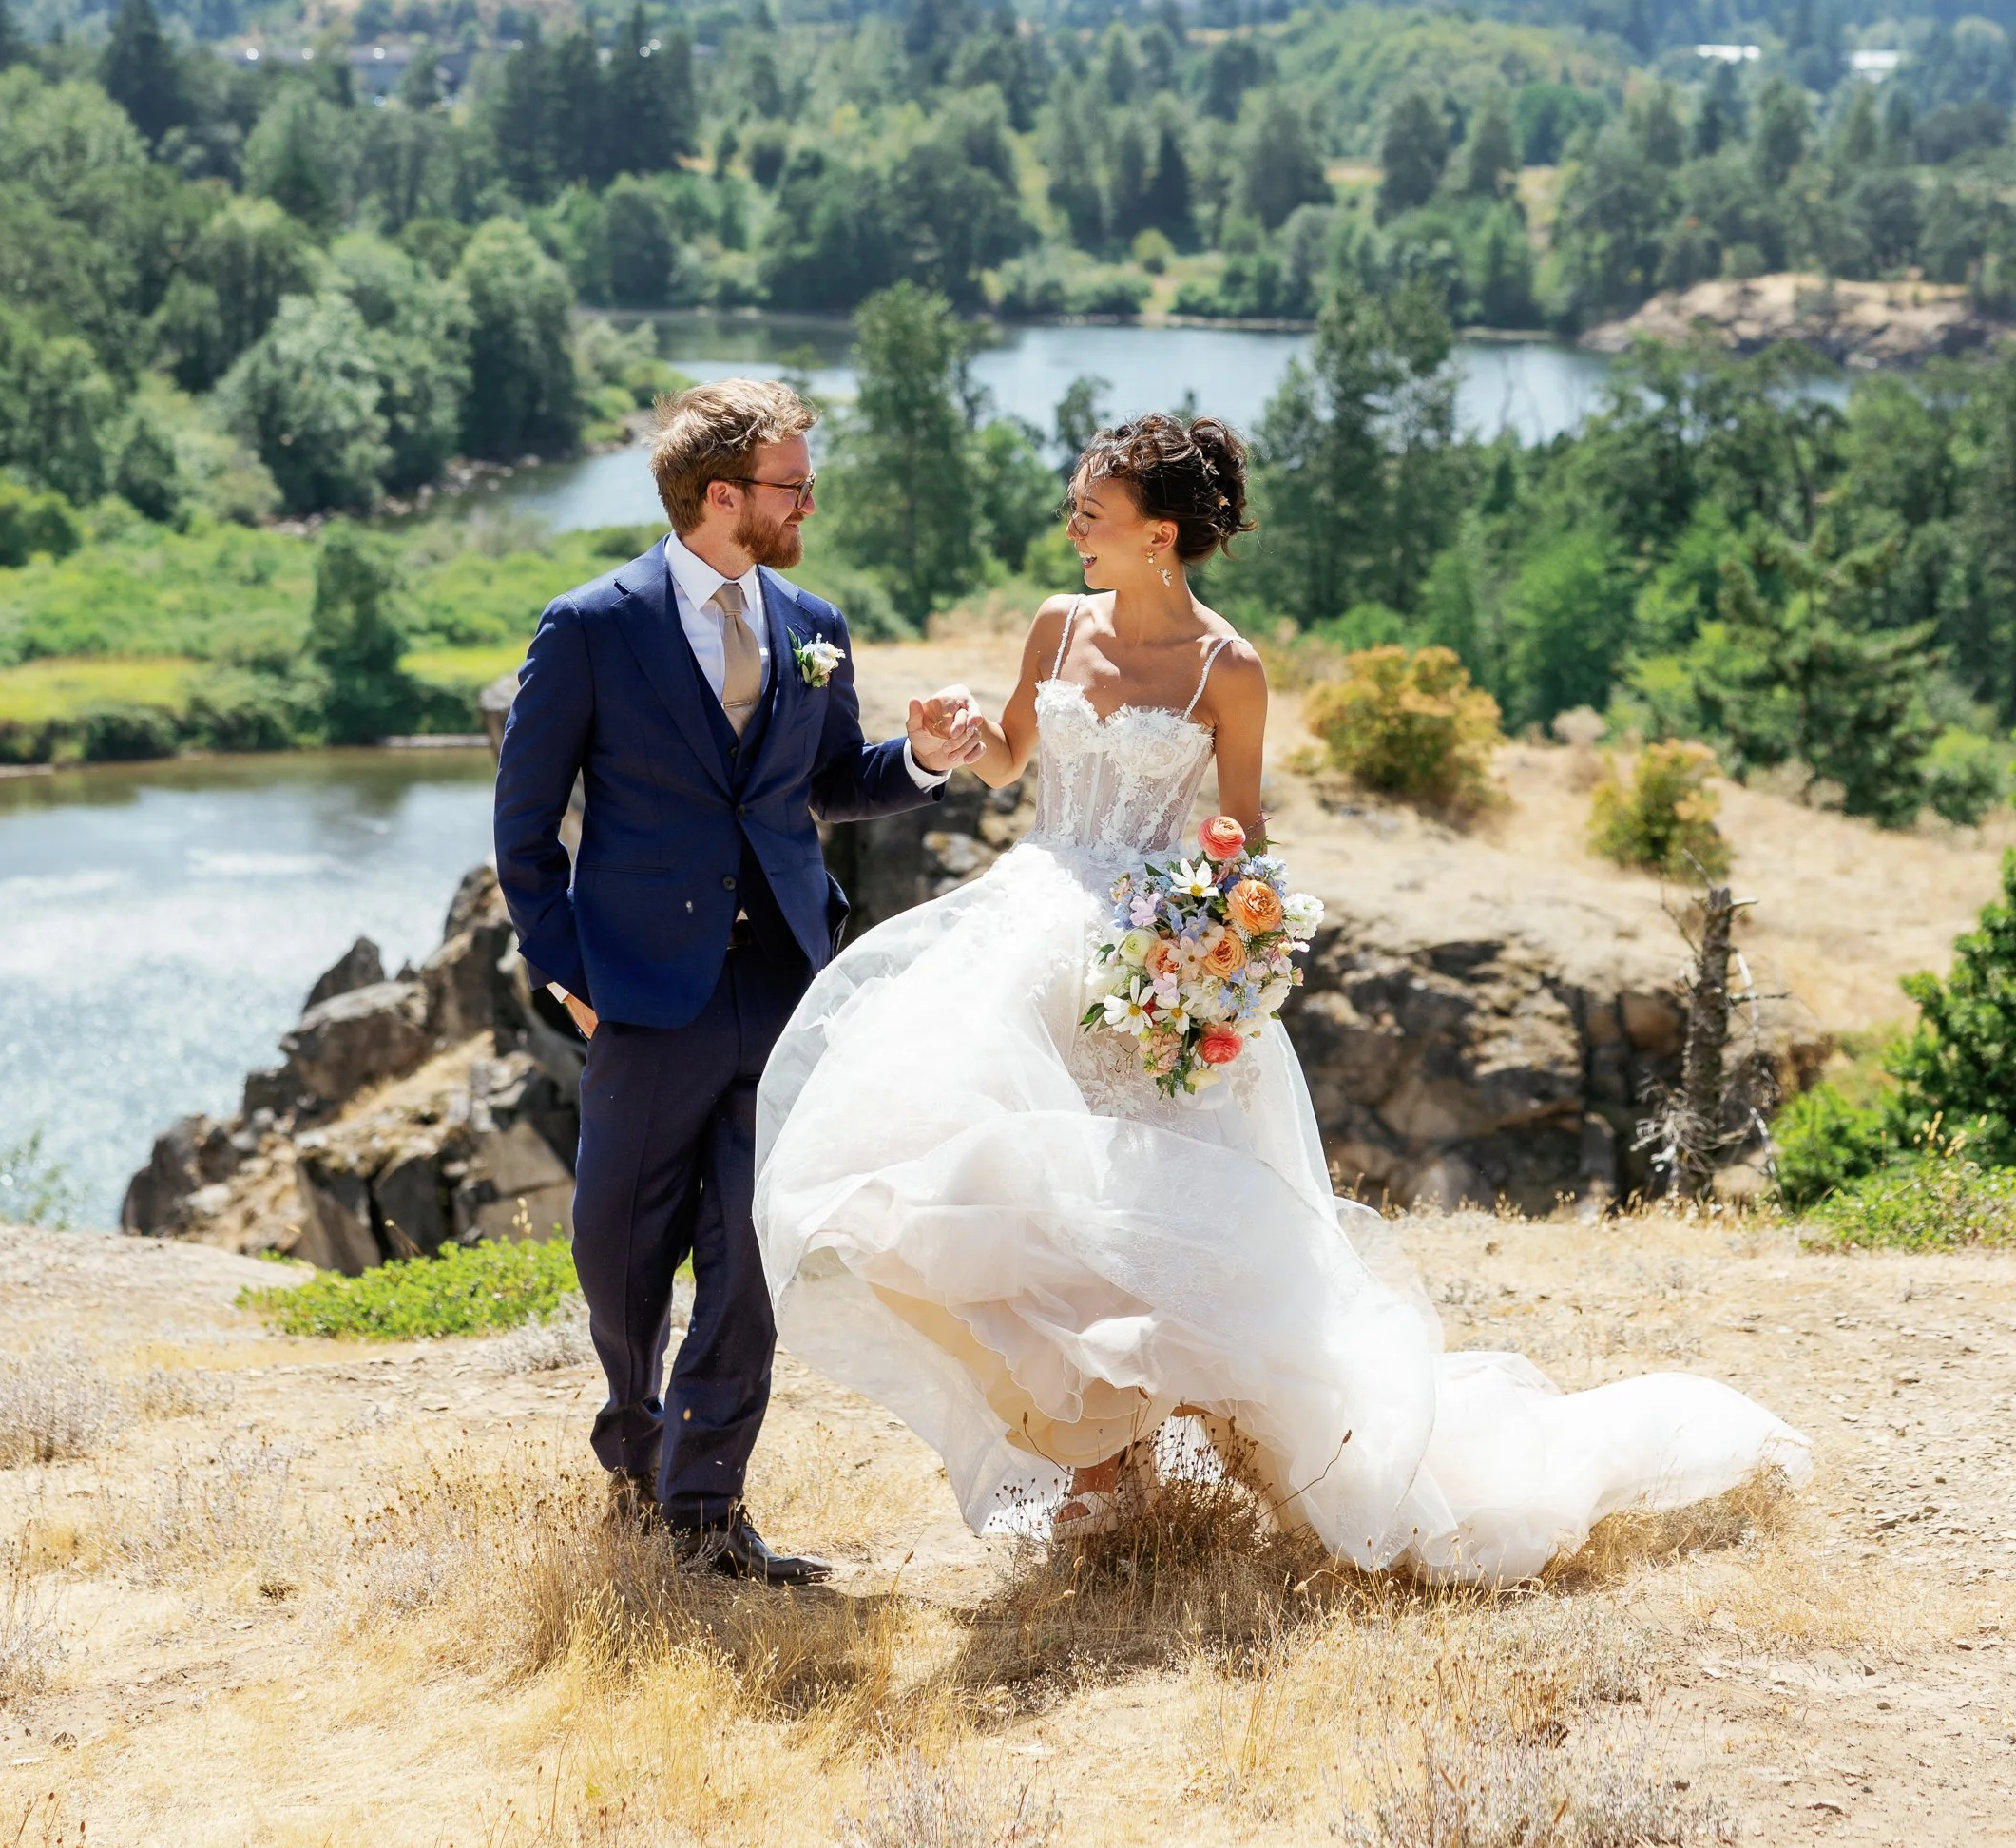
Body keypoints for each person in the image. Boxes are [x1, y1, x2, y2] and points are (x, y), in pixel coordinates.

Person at [753, 410, 1809, 1580]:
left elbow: (1240, 841)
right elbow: (1008, 756)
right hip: (1023, 931)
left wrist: (1209, 958)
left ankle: (1142, 1480)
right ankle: (1101, 1467)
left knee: (1140, 1220)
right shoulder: (1057, 625)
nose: (1071, 530)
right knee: (1002, 1191)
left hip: (1145, 968)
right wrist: (948, 739)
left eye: (1090, 515)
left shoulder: (1229, 667)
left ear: (1160, 534)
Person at [492, 376, 982, 1584]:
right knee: (620, 1246)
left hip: (782, 986)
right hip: (643, 993)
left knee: (755, 1249)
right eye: (792, 483)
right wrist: (572, 976)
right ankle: (635, 1447)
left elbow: (828, 779)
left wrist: (918, 759)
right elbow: (522, 827)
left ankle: (706, 1511)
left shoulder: (814, 617)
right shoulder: (591, 626)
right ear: (724, 496)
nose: (809, 500)